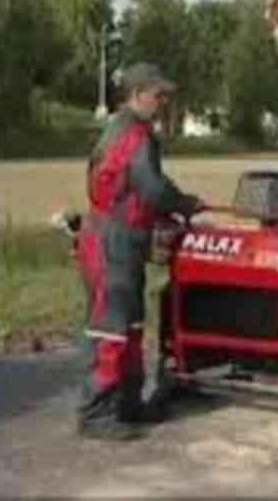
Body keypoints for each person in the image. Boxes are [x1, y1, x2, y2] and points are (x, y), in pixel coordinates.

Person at [76, 62, 204, 441]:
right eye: (158, 94)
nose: (163, 101)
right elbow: (151, 187)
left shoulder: (129, 130)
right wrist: (183, 203)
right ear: (137, 94)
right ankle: (97, 413)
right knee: (111, 328)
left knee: (130, 324)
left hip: (126, 239)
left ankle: (127, 404)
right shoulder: (134, 135)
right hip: (111, 241)